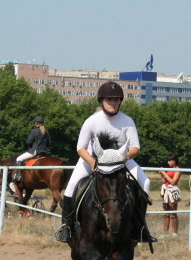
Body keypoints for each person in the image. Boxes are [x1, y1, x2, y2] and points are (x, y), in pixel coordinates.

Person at [55, 81, 155, 244]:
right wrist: (92, 162)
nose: (114, 103)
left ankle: (140, 227)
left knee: (146, 182)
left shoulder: (127, 121)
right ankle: (67, 226)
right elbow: (80, 148)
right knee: (71, 187)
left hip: (121, 161)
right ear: (102, 101)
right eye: (110, 100)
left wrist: (123, 158)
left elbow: (136, 147)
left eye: (116, 100)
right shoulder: (92, 121)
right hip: (93, 160)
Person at [13, 115, 51, 182]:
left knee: (18, 159)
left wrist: (31, 146)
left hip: (35, 151)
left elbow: (28, 142)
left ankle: (18, 175)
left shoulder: (34, 131)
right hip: (44, 152)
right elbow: (50, 143)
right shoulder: (46, 132)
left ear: (36, 123)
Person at [158, 154, 181, 236]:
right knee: (165, 213)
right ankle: (165, 232)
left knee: (173, 213)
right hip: (166, 191)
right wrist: (161, 174)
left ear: (175, 161)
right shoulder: (168, 169)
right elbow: (164, 181)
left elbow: (173, 181)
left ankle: (175, 232)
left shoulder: (178, 169)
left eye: (170, 160)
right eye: (168, 160)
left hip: (173, 190)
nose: (168, 162)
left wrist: (164, 173)